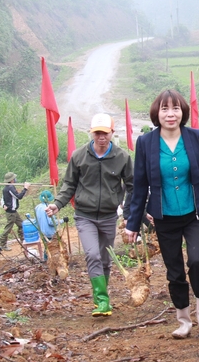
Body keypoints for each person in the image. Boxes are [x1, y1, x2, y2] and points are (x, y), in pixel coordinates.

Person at [124, 89, 199, 339]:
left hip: (194, 214)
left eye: (176, 109)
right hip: (164, 216)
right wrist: (132, 222)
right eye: (165, 109)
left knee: (196, 261)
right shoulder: (146, 143)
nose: (171, 114)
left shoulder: (195, 137)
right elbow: (139, 186)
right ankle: (183, 319)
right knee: (175, 271)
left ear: (183, 112)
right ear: (156, 114)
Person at [46, 113, 134, 317]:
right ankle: (102, 301)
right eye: (97, 133)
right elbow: (69, 184)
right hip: (84, 215)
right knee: (92, 254)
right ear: (92, 134)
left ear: (112, 133)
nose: (101, 137)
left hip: (109, 216)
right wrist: (58, 204)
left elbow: (132, 186)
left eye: (105, 133)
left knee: (105, 259)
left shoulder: (122, 157)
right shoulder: (79, 156)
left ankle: (101, 296)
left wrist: (131, 212)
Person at [0, 172, 31, 251]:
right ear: (12, 180)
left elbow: (2, 199)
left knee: (21, 225)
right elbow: (19, 196)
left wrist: (3, 205)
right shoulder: (10, 188)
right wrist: (25, 188)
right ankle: (2, 244)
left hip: (14, 212)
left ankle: (23, 240)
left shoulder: (6, 188)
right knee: (8, 228)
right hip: (11, 213)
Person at [34, 190, 65, 261]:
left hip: (42, 231)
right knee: (52, 247)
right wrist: (62, 220)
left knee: (46, 246)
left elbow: (36, 221)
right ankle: (48, 260)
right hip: (49, 232)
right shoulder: (48, 208)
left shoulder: (37, 207)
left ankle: (46, 260)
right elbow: (51, 222)